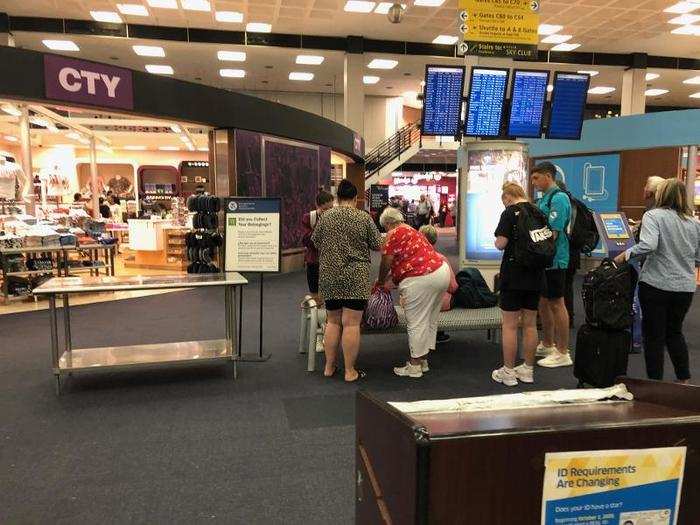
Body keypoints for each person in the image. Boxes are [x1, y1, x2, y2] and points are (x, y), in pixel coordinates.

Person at [614, 178, 700, 384]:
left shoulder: (653, 216)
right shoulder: (694, 223)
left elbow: (649, 245)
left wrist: (625, 255)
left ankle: (656, 383)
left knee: (654, 336)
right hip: (685, 287)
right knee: (674, 332)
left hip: (656, 284)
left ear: (661, 195)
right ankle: (684, 380)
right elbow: (698, 257)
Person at [311, 180, 382, 382]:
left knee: (332, 322)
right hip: (355, 275)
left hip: (330, 275)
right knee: (351, 324)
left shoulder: (326, 217)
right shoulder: (363, 217)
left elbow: (315, 242)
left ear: (337, 197)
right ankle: (350, 371)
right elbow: (377, 244)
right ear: (355, 197)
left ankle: (329, 366)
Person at [377, 207, 450, 378]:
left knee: (416, 322)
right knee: (429, 320)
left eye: (385, 227)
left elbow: (386, 261)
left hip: (421, 278)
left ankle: (415, 366)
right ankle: (423, 360)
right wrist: (391, 279)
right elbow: (403, 260)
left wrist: (381, 281)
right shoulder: (412, 230)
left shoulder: (393, 233)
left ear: (388, 223)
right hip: (441, 272)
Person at [491, 182, 546, 386]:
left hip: (514, 274)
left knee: (510, 325)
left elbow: (501, 244)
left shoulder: (509, 213)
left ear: (507, 197)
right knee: (530, 324)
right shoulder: (537, 211)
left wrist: (497, 239)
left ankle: (508, 372)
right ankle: (528, 370)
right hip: (536, 274)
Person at [531, 162, 573, 368]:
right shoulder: (543, 199)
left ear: (548, 176)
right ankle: (548, 343)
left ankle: (563, 351)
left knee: (557, 303)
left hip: (556, 259)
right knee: (543, 302)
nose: (534, 183)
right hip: (543, 260)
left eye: (536, 178)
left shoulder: (559, 198)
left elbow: (553, 233)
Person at [419, 224, 458, 344]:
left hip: (416, 302)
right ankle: (438, 333)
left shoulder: (412, 259)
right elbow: (453, 287)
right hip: (439, 303)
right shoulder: (441, 259)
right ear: (434, 240)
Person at [554, 180, 580, 328]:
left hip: (563, 250)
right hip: (574, 250)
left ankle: (564, 320)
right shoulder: (575, 204)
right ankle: (569, 318)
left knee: (560, 289)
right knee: (568, 286)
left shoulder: (559, 203)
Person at [302, 190, 334, 304]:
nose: (329, 212)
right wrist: (319, 223)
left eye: (331, 208)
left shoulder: (336, 219)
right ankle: (317, 319)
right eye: (326, 209)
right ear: (318, 206)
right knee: (316, 297)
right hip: (314, 263)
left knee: (332, 296)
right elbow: (307, 241)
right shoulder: (309, 218)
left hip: (331, 262)